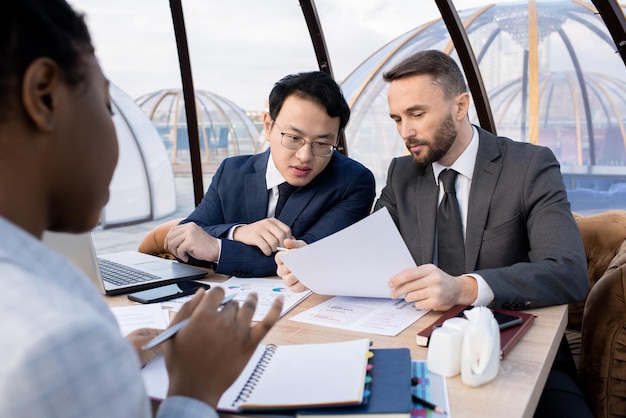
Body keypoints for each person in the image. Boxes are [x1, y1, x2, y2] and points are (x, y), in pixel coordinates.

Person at [0, 1, 282, 417]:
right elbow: (194, 226)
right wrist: (193, 390)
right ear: (44, 94)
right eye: (107, 106)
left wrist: (106, 371)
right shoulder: (61, 342)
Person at [277, 50, 591, 417]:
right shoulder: (402, 174)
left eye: (417, 114)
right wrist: (312, 260)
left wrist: (466, 288)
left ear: (460, 106)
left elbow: (567, 270)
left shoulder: (529, 166)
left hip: (517, 349)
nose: (405, 132)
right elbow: (367, 249)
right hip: (418, 346)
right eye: (397, 118)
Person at [165, 71, 376, 277]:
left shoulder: (353, 181)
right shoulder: (232, 172)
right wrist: (238, 232)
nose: (304, 156)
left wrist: (217, 248)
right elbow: (184, 238)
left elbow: (307, 258)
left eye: (322, 143)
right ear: (268, 126)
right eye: (294, 138)